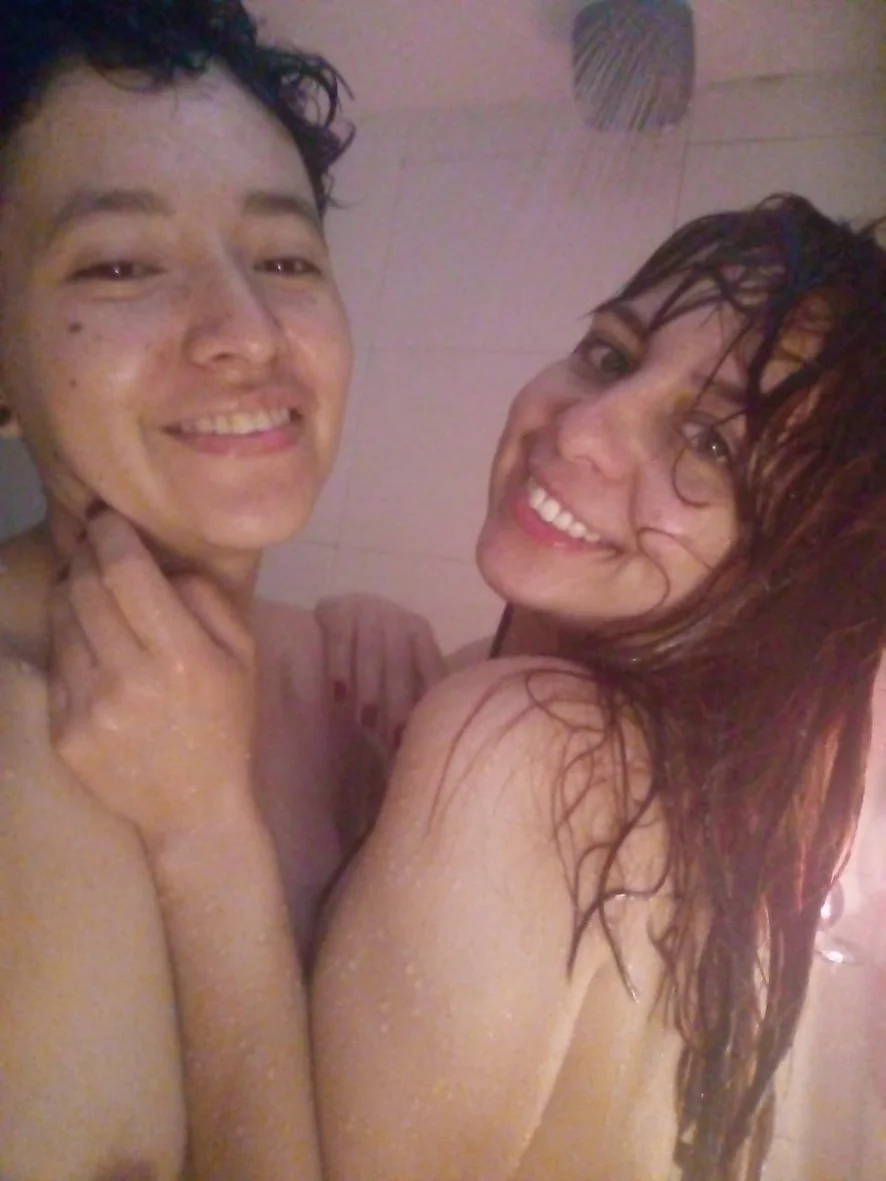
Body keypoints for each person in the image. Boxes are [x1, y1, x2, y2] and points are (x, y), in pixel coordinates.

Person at [49, 193, 886, 1178]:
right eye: (610, 355)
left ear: (797, 563)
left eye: (709, 442)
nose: (584, 427)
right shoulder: (673, 785)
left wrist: (199, 828)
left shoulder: (532, 742)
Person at [0, 1, 392, 1176]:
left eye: (284, 260)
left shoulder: (336, 678)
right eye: (120, 262)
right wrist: (206, 837)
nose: (247, 331)